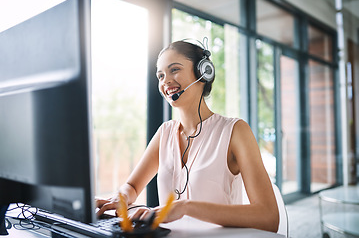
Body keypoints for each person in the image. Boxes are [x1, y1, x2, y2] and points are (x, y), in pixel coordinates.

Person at [96, 39, 279, 233]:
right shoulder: (165, 133)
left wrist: (186, 207)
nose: (165, 81)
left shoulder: (235, 131)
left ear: (203, 72)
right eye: (160, 75)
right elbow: (132, 186)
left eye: (174, 70)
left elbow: (268, 217)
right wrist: (122, 197)